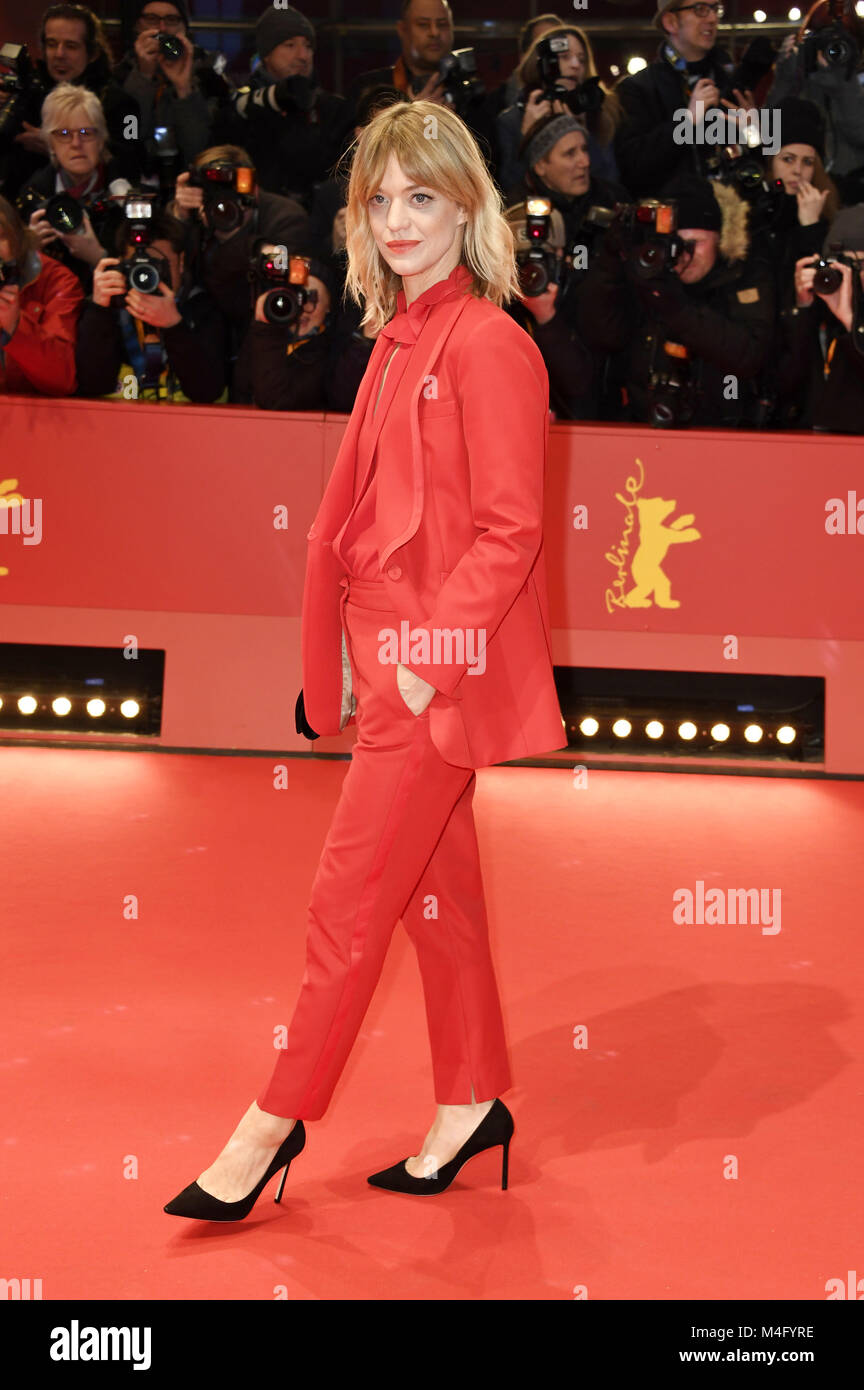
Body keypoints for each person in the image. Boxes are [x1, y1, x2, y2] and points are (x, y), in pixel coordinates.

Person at [163, 97, 567, 1221]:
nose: (396, 218)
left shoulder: (490, 343)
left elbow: (510, 531)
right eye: (379, 199)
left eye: (420, 197)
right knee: (443, 905)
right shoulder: (397, 334)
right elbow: (363, 524)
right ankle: (472, 1098)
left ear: (467, 207)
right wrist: (341, 654)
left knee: (345, 906)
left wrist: (424, 667)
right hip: (381, 654)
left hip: (425, 677)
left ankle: (270, 1125)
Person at [577, 174, 776, 428]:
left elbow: (748, 354)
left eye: (695, 243)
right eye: (673, 243)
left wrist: (676, 308)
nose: (682, 254)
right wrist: (610, 261)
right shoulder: (648, 274)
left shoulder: (744, 275)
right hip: (644, 429)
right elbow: (601, 333)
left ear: (720, 239)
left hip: (725, 432)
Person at [75, 205, 229, 403]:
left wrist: (174, 326)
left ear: (181, 262)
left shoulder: (203, 308)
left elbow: (207, 392)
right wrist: (99, 312)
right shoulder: (106, 309)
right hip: (119, 426)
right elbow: (91, 385)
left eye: (157, 265)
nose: (146, 276)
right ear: (121, 263)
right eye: (138, 266)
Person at [212, 3, 351, 209]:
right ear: (266, 53)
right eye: (290, 45)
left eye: (308, 46)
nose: (303, 56)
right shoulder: (240, 110)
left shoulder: (334, 110)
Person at [0, 2, 140, 198]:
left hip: (97, 208)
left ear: (92, 53)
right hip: (22, 206)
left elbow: (131, 161)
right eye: (51, 44)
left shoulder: (122, 105)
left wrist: (56, 144)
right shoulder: (27, 93)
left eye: (71, 46)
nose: (59, 54)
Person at [613, 0, 752, 196]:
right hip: (671, 220)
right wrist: (687, 122)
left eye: (715, 9)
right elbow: (632, 169)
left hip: (733, 217)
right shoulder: (637, 88)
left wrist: (755, 131)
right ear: (671, 22)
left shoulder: (728, 80)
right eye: (700, 10)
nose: (712, 18)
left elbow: (763, 161)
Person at [16, 83, 130, 295]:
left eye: (86, 132)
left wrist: (98, 256)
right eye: (64, 133)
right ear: (50, 143)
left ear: (101, 140)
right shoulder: (31, 197)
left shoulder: (125, 196)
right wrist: (29, 252)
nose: (76, 143)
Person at [497, 23, 622, 199]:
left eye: (581, 59)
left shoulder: (597, 113)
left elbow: (610, 182)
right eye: (565, 57)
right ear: (543, 64)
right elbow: (508, 188)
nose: (575, 64)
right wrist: (525, 136)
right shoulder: (512, 119)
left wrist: (580, 132)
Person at [0, 193, 83, 394]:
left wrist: (15, 327)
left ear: (16, 238)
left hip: (38, 417)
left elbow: (62, 380)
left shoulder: (56, 281)